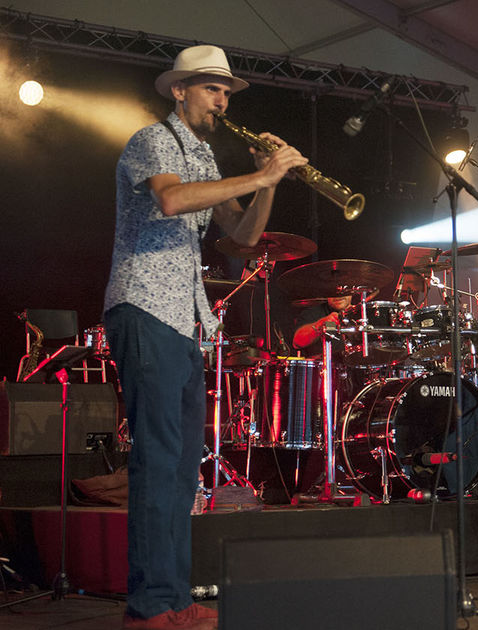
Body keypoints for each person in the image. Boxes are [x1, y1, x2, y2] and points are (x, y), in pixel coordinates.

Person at [103, 44, 307, 629]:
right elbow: (170, 199)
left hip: (186, 317)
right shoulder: (151, 140)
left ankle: (172, 597)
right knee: (158, 460)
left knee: (184, 465)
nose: (221, 99)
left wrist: (270, 183)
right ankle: (147, 607)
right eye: (211, 88)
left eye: (225, 90)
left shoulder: (208, 158)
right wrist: (261, 171)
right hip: (144, 306)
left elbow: (241, 237)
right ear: (179, 91)